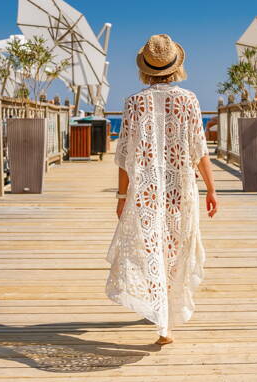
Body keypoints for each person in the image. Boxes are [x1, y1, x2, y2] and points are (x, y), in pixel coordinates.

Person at [107, 34, 218, 346]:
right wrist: (211, 189)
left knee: (149, 246)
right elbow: (199, 151)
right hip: (180, 188)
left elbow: (124, 156)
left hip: (145, 189)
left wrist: (122, 196)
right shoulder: (189, 100)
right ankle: (165, 318)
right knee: (175, 246)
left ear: (145, 68)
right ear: (176, 66)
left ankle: (160, 313)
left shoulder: (133, 102)